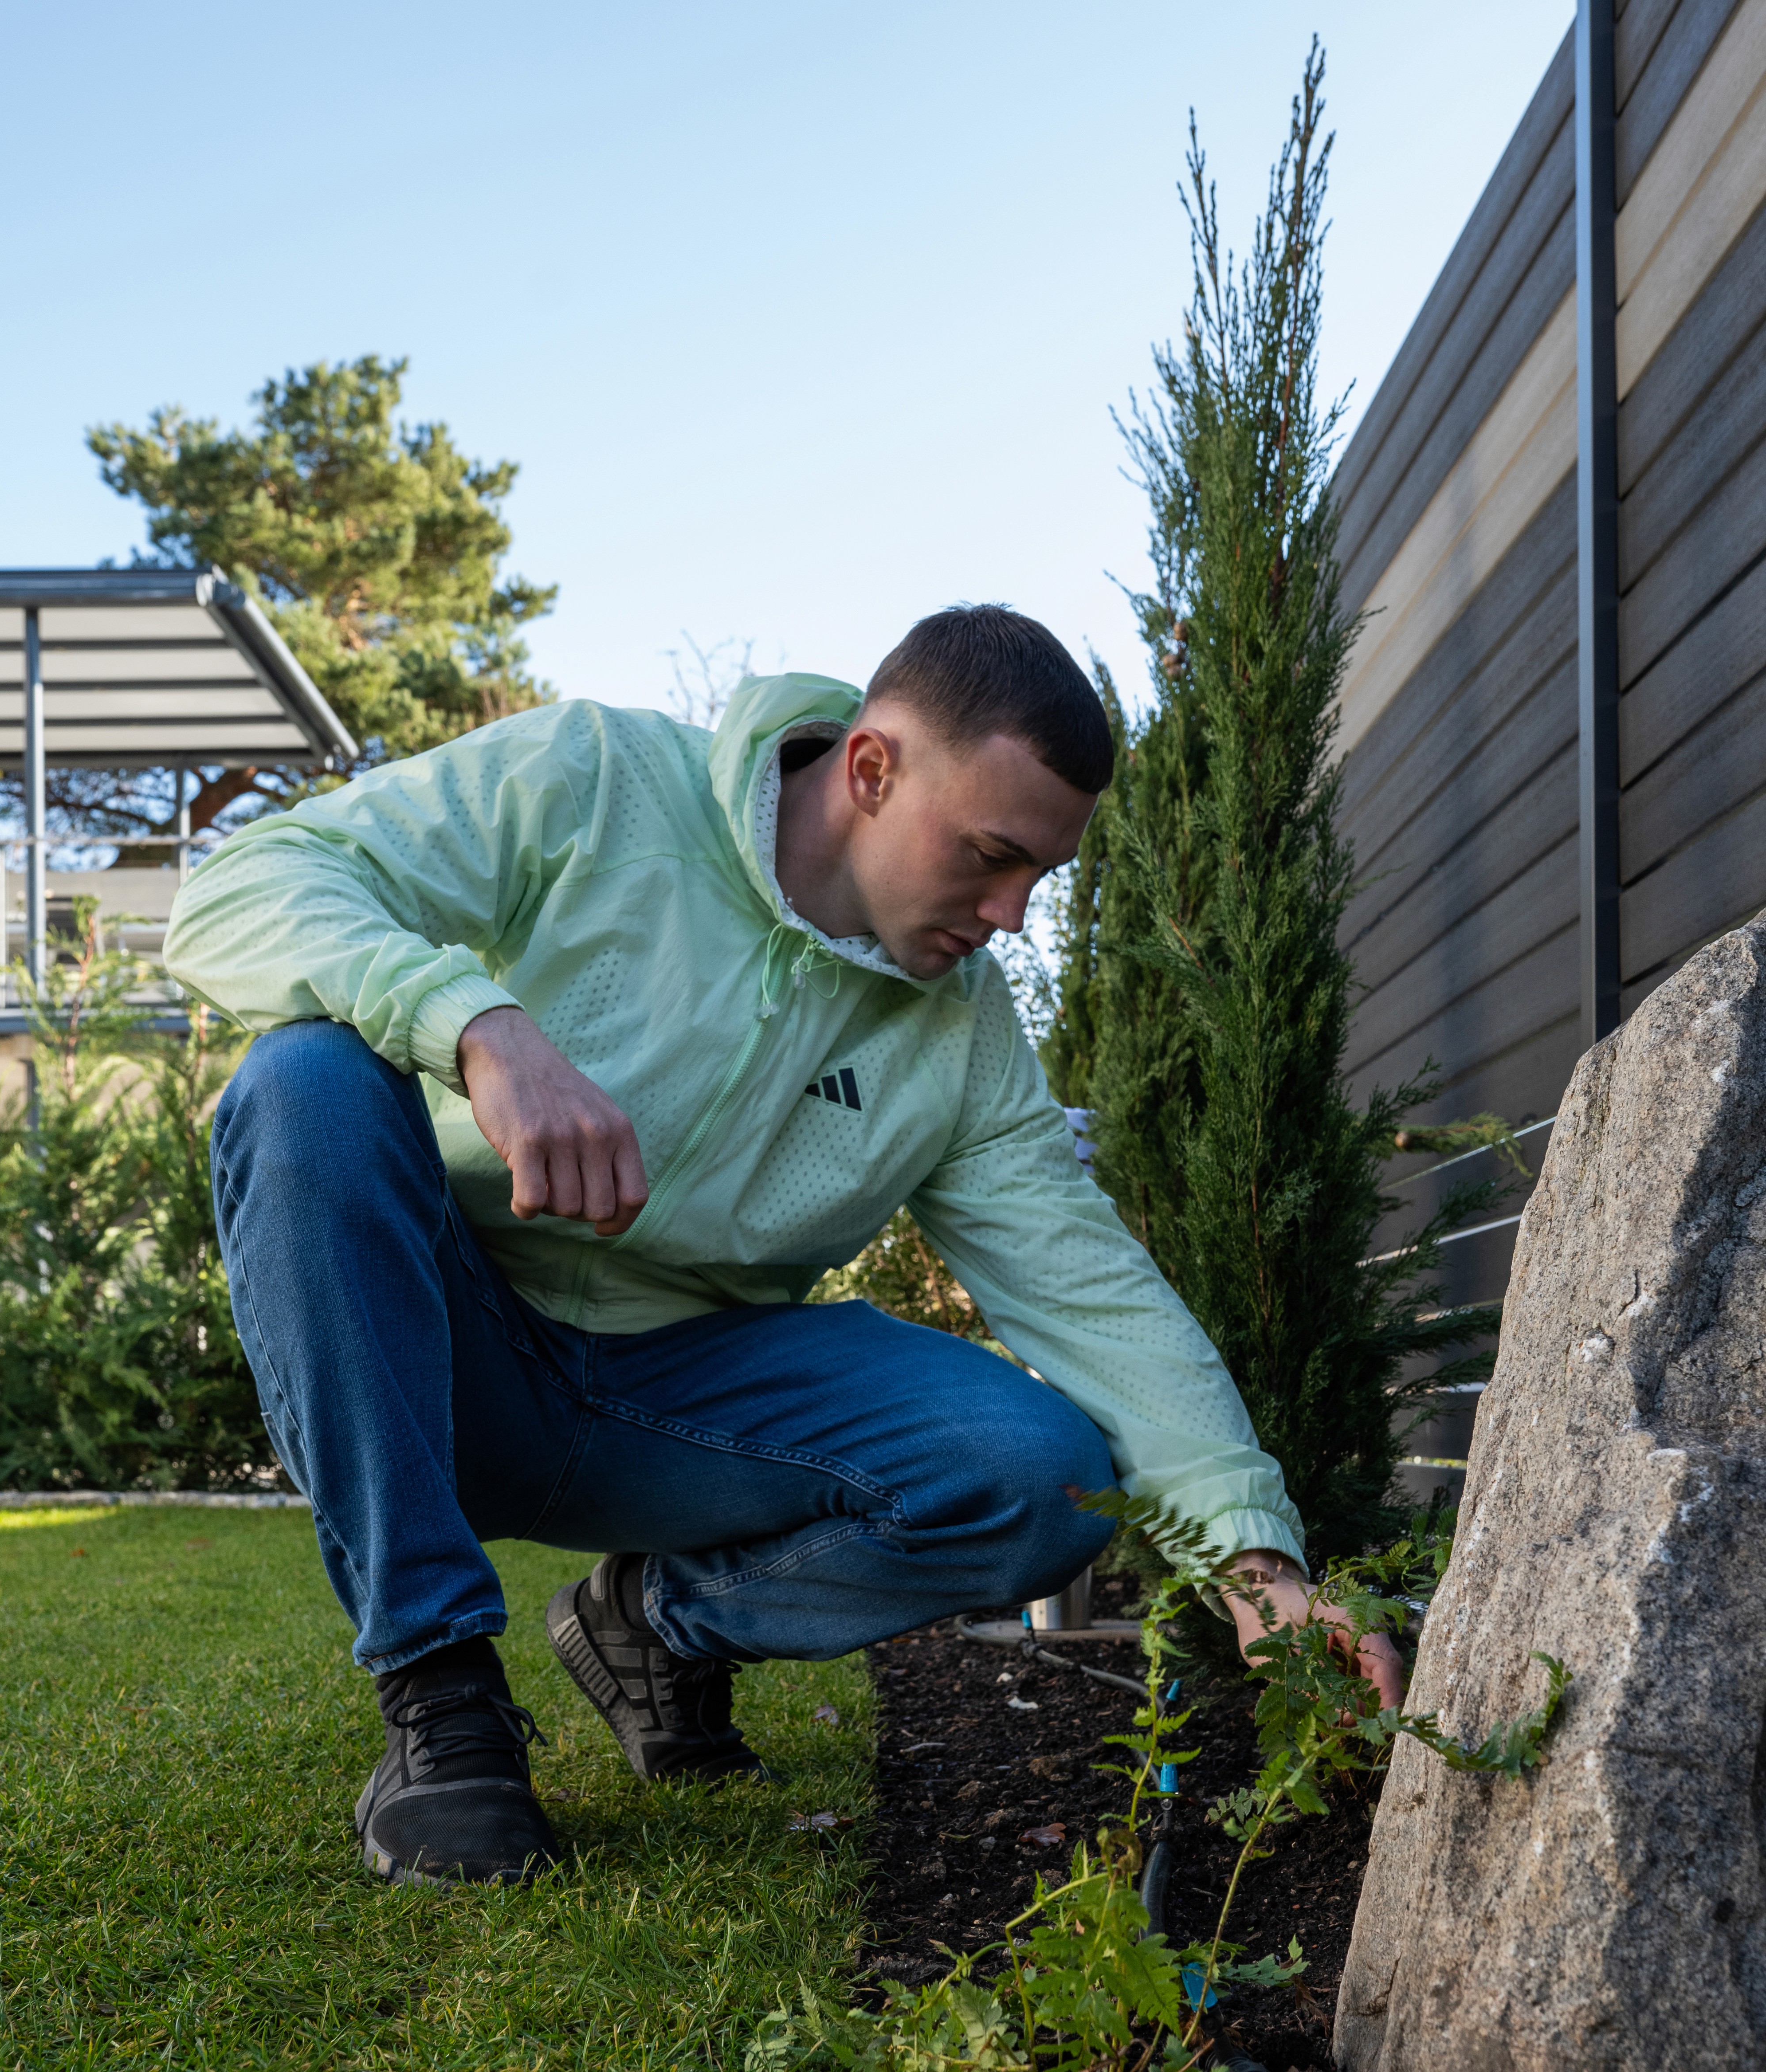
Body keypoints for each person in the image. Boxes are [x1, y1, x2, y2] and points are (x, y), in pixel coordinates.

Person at [166, 604, 1401, 1886]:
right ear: (871, 769)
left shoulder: (964, 1033)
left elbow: (1097, 1298)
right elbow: (241, 888)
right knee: (304, 1083)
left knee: (1038, 1468)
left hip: (685, 1409)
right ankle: (443, 1701)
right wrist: (478, 1025)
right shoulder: (594, 783)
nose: (1014, 914)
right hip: (434, 1350)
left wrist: (1258, 1567)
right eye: (991, 855)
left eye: (1041, 875)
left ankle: (654, 1626)